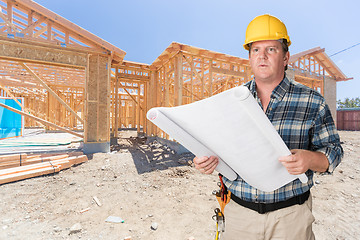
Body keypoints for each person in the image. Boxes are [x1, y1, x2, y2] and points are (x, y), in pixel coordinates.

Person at [193, 14, 343, 240]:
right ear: (250, 57)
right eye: (255, 50)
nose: (262, 56)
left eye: (271, 49)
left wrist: (310, 160)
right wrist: (208, 160)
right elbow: (219, 147)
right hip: (239, 216)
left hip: (291, 218)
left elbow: (334, 151)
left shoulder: (312, 101)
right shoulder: (230, 102)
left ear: (285, 57)